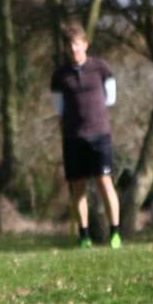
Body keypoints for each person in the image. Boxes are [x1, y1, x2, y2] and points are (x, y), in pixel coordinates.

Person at [50, 21, 122, 249]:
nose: (74, 49)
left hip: (100, 135)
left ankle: (115, 234)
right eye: (70, 45)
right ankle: (84, 237)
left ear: (85, 44)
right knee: (78, 189)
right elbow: (58, 110)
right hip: (73, 138)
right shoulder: (59, 76)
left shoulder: (101, 68)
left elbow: (110, 99)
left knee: (104, 182)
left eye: (77, 44)